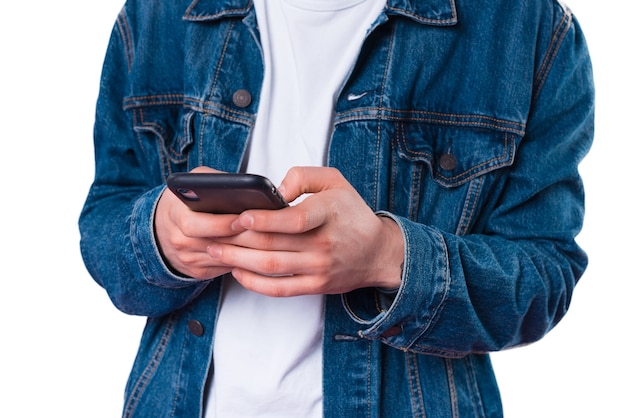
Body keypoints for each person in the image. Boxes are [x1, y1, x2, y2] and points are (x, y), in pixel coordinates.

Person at [79, 0, 594, 416]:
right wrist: (159, 236)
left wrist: (389, 258)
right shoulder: (156, 16)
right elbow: (104, 217)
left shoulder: (531, 29)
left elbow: (543, 279)